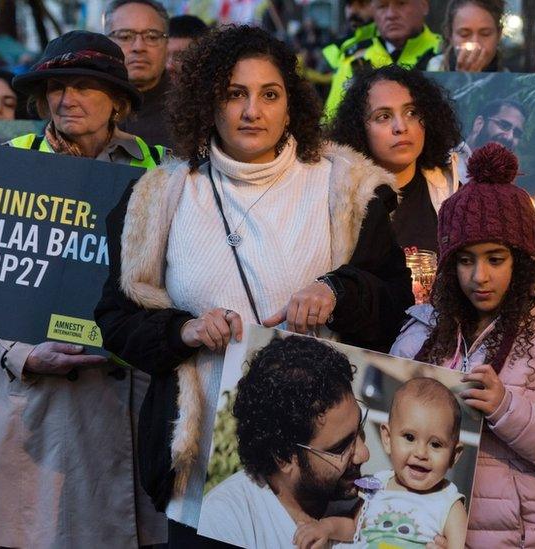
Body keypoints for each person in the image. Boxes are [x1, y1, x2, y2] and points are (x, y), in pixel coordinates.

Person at [94, 24, 414, 546]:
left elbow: (394, 304)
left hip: (320, 479)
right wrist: (184, 331)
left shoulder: (344, 187)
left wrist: (336, 291)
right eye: (234, 94)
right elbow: (116, 320)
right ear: (207, 102)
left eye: (270, 94)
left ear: (291, 104)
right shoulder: (158, 197)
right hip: (205, 478)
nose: (252, 111)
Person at [0, 30, 165, 549]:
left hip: (133, 391)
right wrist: (24, 355)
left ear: (118, 101)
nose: (66, 98)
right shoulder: (11, 160)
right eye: (57, 86)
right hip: (44, 399)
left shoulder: (162, 167)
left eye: (84, 86)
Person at [389, 142, 535, 547]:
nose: (479, 276)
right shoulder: (419, 335)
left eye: (495, 259)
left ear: (521, 260)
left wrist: (507, 408)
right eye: (464, 260)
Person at [197, 336, 369, 548]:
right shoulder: (227, 520)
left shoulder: (371, 504)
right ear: (284, 456)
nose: (363, 453)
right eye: (340, 448)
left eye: (359, 430)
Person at [294, 377, 467, 548]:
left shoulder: (449, 504)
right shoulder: (376, 486)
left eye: (435, 444)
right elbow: (355, 527)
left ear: (454, 455)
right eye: (409, 437)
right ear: (387, 438)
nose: (421, 453)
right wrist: (326, 528)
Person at [329, 65, 463, 254]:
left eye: (411, 113)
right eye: (383, 116)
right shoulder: (335, 198)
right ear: (359, 129)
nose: (401, 127)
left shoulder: (454, 193)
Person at [323, 0, 442, 118]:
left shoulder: (444, 53)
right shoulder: (356, 57)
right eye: (382, 6)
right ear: (373, 11)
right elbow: (331, 122)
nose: (391, 14)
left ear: (424, 5)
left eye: (401, 3)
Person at [105, 0, 175, 149]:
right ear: (106, 42)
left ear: (167, 44)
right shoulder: (84, 104)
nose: (139, 47)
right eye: (125, 37)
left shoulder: (194, 109)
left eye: (152, 37)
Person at [427, 0, 504, 72]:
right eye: (464, 35)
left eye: (485, 34)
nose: (475, 43)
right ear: (450, 35)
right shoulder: (435, 69)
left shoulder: (511, 80)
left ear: (499, 35)